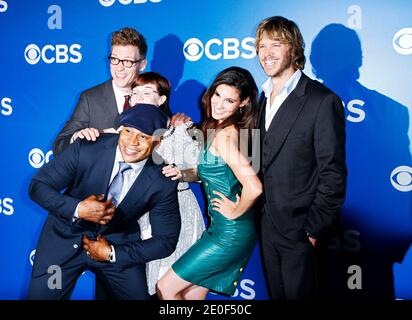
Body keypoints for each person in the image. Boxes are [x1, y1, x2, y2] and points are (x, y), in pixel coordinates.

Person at [28, 104, 181, 300]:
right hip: (64, 247)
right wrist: (78, 208)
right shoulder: (88, 148)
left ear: (157, 142)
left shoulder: (162, 180)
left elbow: (165, 241)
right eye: (128, 131)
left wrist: (112, 253)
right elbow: (39, 186)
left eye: (143, 136)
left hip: (116, 249)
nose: (132, 142)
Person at [254, 16, 347, 300]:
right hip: (267, 226)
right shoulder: (262, 97)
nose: (266, 53)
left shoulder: (321, 101)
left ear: (294, 49)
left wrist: (312, 230)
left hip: (301, 231)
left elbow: (333, 174)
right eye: (261, 46)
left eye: (276, 44)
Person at [156, 66, 263, 300]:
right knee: (192, 296)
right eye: (217, 95)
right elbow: (214, 172)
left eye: (229, 100)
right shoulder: (220, 128)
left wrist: (235, 210)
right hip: (222, 229)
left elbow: (254, 187)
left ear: (243, 103)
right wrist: (182, 174)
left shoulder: (225, 135)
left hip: (229, 233)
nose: (219, 104)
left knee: (166, 289)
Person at [128, 72, 206, 296]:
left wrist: (181, 173)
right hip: (143, 217)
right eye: (135, 92)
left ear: (162, 100)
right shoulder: (126, 133)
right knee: (156, 286)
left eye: (147, 91)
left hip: (180, 210)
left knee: (181, 284)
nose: (139, 96)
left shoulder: (179, 129)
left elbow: (200, 172)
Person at [52, 27, 148, 155]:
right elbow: (59, 146)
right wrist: (76, 137)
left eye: (127, 61)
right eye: (114, 59)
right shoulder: (90, 98)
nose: (119, 68)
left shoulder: (153, 96)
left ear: (142, 64)